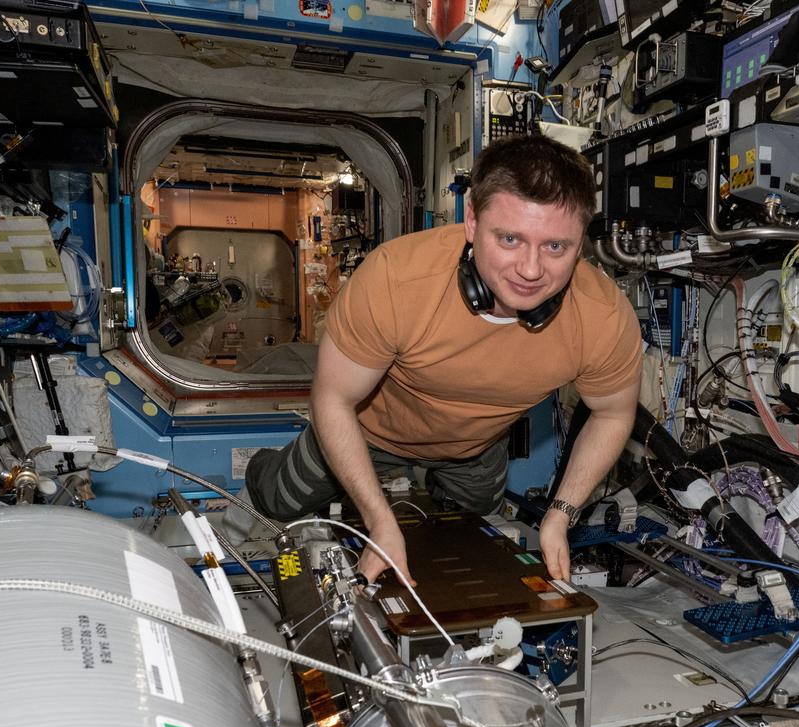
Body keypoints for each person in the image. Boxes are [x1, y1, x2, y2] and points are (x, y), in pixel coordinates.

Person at [228, 134, 641, 583]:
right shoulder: (396, 279)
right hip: (371, 430)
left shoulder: (602, 316)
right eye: (509, 238)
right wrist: (378, 519)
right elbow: (332, 400)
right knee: (277, 501)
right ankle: (261, 466)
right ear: (471, 221)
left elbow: (613, 415)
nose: (530, 269)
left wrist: (561, 515)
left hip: (475, 450)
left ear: (581, 242)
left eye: (556, 247)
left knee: (469, 539)